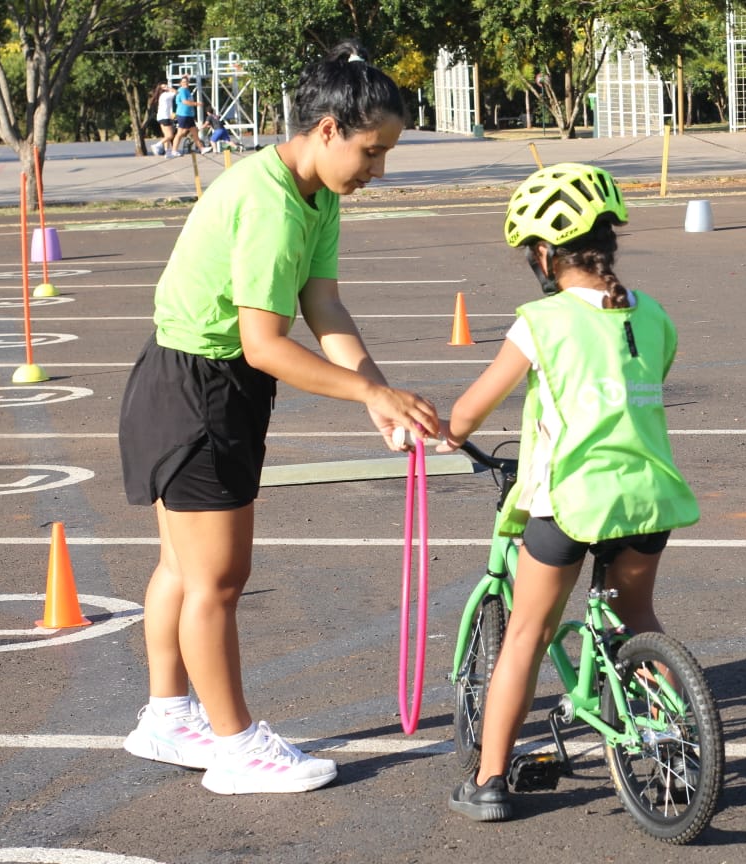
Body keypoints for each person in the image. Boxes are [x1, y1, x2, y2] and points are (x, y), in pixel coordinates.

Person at [118, 41, 440, 796]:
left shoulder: (314, 194)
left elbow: (322, 305)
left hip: (194, 383)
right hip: (200, 387)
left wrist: (380, 394)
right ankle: (234, 748)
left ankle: (168, 717)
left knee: (183, 569)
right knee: (218, 580)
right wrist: (368, 395)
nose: (378, 170)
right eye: (371, 151)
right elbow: (264, 345)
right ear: (327, 129)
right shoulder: (267, 203)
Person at [439, 163, 699, 821]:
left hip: (569, 505)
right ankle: (678, 747)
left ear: (544, 255)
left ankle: (490, 781)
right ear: (608, 245)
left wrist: (440, 432)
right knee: (637, 620)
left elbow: (470, 412)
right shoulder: (654, 316)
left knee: (525, 633)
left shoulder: (541, 321)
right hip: (647, 499)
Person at [170, 75, 204, 156]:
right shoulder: (182, 90)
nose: (185, 83)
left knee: (195, 132)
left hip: (189, 115)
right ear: (180, 83)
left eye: (187, 82)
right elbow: (185, 102)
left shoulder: (187, 90)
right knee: (180, 133)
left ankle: (202, 148)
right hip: (183, 114)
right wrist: (197, 104)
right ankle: (174, 150)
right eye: (183, 82)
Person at [148, 82, 175, 156]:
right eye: (164, 87)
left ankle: (167, 151)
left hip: (160, 117)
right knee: (170, 136)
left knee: (166, 136)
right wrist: (169, 88)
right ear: (162, 89)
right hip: (165, 117)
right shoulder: (166, 95)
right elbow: (176, 92)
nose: (166, 87)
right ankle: (157, 145)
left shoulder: (160, 96)